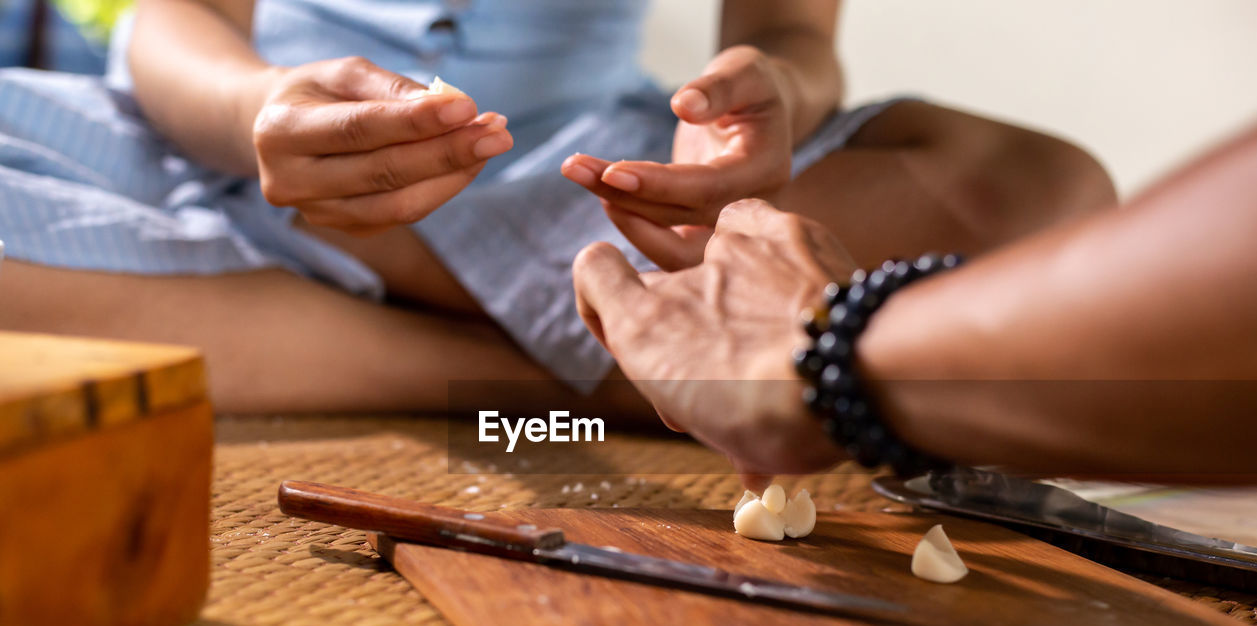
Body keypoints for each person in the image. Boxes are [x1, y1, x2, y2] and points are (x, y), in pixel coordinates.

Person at [1, 0, 1113, 413]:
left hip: (599, 175)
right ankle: (574, 368)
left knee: (1041, 195)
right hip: (219, 148)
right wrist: (253, 115)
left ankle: (434, 302)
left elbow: (794, 34)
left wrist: (770, 92)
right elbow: (174, 19)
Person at [572, 111, 1257, 483]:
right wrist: (843, 342)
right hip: (512, 182)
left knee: (1050, 185)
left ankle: (508, 363)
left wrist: (828, 351)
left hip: (625, 129)